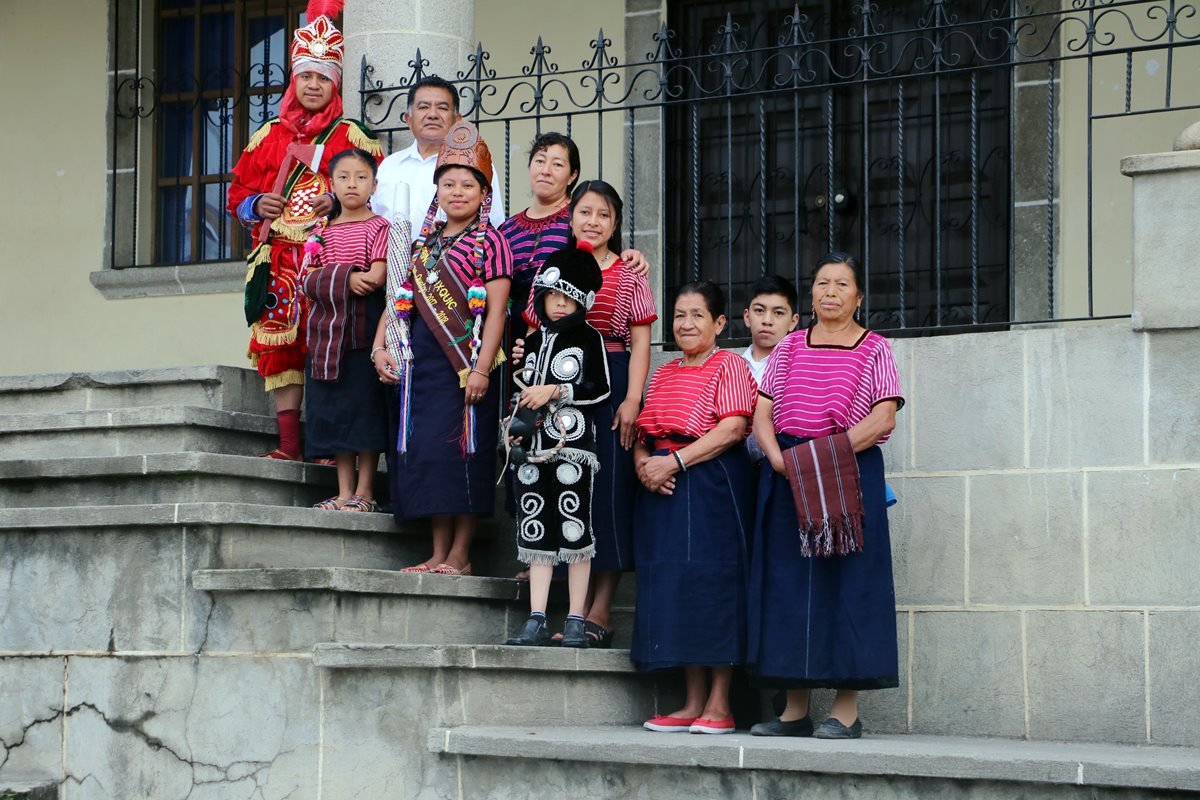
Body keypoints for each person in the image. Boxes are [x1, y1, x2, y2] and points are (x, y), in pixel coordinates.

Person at [746, 252, 903, 740]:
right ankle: (794, 710)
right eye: (821, 283)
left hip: (846, 468)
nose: (829, 291)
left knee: (847, 587)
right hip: (788, 471)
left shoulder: (875, 348)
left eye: (841, 284)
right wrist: (777, 460)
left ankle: (847, 712)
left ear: (859, 296)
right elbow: (763, 413)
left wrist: (824, 456)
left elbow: (883, 418)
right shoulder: (791, 345)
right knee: (789, 588)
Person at [227, 1, 383, 460]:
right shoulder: (268, 135)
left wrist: (335, 202)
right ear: (294, 80)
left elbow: (373, 196)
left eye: (323, 77)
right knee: (281, 347)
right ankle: (290, 445)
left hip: (329, 257)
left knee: (329, 346)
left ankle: (329, 444)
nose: (313, 85)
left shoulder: (350, 135)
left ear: (334, 83)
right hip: (278, 258)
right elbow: (237, 196)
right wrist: (259, 204)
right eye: (306, 76)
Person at [371, 120, 512, 575]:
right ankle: (436, 552)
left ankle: (461, 556)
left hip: (467, 365)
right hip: (422, 367)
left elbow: (496, 312)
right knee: (429, 454)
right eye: (448, 183)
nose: (457, 192)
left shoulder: (493, 241)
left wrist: (483, 369)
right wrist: (381, 348)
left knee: (463, 453)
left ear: (483, 191)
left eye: (467, 184)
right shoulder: (422, 245)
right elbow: (398, 303)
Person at [519, 180, 656, 646]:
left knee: (607, 488)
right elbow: (535, 330)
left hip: (610, 379)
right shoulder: (550, 267)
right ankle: (554, 608)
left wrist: (633, 398)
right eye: (585, 212)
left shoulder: (629, 272)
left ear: (615, 224)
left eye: (604, 215)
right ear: (570, 216)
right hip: (554, 387)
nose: (593, 221)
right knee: (559, 481)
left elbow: (640, 342)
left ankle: (600, 609)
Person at [632, 281, 757, 735]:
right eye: (680, 314)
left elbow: (732, 429)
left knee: (713, 581)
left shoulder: (729, 366)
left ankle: (720, 704)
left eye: (697, 315)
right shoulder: (663, 372)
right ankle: (691, 701)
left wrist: (675, 463)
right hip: (663, 487)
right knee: (675, 584)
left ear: (720, 323)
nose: (686, 324)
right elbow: (643, 432)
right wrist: (646, 467)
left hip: (711, 481)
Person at [504, 243, 611, 648]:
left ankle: (576, 619)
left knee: (573, 524)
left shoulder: (589, 338)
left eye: (568, 298)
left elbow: (599, 388)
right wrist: (513, 422)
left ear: (582, 301)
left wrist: (556, 390)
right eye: (552, 297)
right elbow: (519, 390)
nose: (559, 305)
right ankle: (535, 618)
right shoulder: (530, 344)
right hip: (532, 447)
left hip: (573, 445)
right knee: (534, 526)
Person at [299, 148, 389, 511]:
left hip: (363, 333)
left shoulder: (379, 227)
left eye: (361, 177)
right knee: (335, 410)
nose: (352, 184)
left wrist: (337, 278)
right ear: (331, 184)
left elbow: (376, 277)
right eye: (343, 177)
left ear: (375, 184)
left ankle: (365, 492)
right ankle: (342, 491)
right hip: (326, 337)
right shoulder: (318, 232)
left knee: (364, 409)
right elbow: (306, 280)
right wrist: (347, 278)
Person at [372, 76, 505, 234]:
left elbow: (493, 224)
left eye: (442, 108)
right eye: (423, 107)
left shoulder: (476, 165)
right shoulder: (388, 166)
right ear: (408, 119)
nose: (432, 114)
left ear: (457, 121)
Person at [740, 274, 800, 463]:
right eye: (759, 310)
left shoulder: (798, 368)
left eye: (778, 313)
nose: (767, 320)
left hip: (783, 464)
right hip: (737, 469)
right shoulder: (731, 367)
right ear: (747, 317)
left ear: (793, 321)